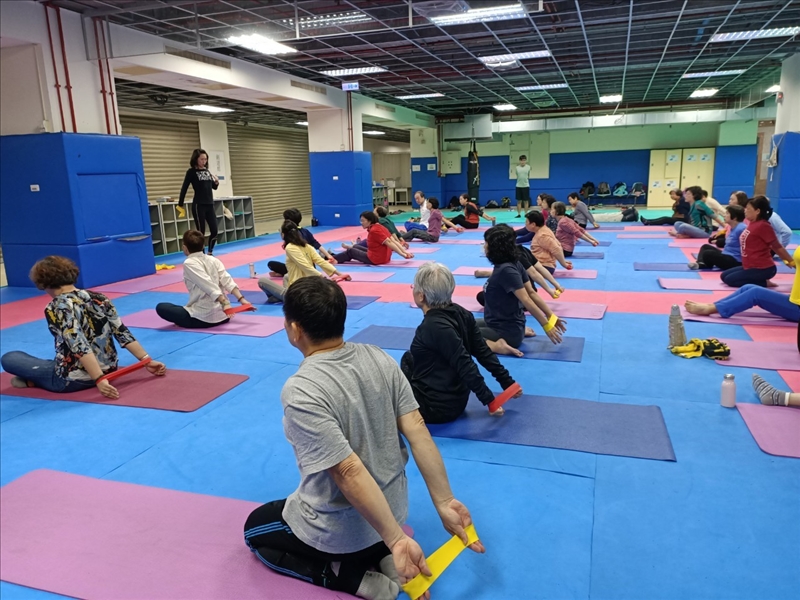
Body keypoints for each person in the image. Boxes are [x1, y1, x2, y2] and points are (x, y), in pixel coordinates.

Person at [243, 277, 484, 599]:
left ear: (295, 329)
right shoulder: (379, 356)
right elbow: (417, 428)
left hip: (345, 533)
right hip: (393, 515)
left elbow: (348, 471)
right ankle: (383, 554)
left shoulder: (302, 389)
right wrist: (443, 501)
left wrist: (397, 540)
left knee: (254, 528)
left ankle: (341, 575)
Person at [1, 256, 166, 399]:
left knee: (10, 357)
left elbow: (79, 345)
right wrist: (146, 360)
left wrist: (98, 379)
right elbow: (121, 331)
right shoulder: (99, 297)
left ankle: (35, 382)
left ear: (43, 283)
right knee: (48, 362)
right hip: (110, 371)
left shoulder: (56, 306)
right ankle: (39, 378)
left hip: (74, 379)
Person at [401, 262, 522, 423]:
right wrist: (507, 382)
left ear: (421, 296)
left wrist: (489, 400)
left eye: (414, 287)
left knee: (394, 376)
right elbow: (483, 351)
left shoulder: (433, 327)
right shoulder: (461, 313)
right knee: (410, 358)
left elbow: (465, 364)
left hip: (436, 408)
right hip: (457, 399)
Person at [477, 225, 567, 357]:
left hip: (505, 332)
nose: (484, 246)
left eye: (486, 243)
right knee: (462, 323)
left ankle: (496, 346)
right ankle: (519, 332)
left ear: (495, 247)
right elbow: (531, 293)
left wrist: (546, 325)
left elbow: (527, 299)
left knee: (458, 332)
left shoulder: (506, 270)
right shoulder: (513, 264)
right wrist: (550, 315)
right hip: (502, 324)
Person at [156, 229, 250, 327]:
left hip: (203, 319)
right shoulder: (213, 259)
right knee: (181, 307)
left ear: (184, 248)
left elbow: (207, 284)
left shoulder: (189, 263)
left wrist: (225, 303)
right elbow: (227, 280)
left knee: (161, 307)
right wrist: (241, 299)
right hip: (224, 316)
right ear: (203, 246)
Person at [258, 221, 352, 304]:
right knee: (286, 276)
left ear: (283, 234)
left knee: (262, 281)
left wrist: (323, 279)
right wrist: (340, 274)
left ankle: (283, 298)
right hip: (306, 285)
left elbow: (305, 266)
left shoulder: (290, 247)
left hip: (299, 291)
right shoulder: (307, 246)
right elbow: (321, 261)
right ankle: (280, 297)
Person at [720, 196, 795, 288]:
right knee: (724, 276)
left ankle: (764, 283)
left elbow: (777, 246)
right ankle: (758, 280)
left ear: (757, 211)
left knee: (730, 280)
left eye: (748, 209)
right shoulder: (752, 223)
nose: (745, 211)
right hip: (749, 266)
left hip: (763, 268)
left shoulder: (763, 226)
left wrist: (791, 261)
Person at [474, 243, 564, 299]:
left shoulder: (514, 256)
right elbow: (540, 268)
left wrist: (549, 290)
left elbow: (534, 273)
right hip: (527, 293)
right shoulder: (523, 249)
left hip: (522, 296)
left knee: (482, 296)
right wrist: (557, 285)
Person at [330, 211, 414, 265]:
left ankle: (332, 259)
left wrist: (403, 255)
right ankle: (333, 256)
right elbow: (394, 241)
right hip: (383, 257)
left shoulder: (374, 230)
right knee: (355, 247)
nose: (361, 223)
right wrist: (405, 252)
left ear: (369, 221)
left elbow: (390, 242)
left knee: (350, 251)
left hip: (376, 259)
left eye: (363, 221)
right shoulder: (380, 226)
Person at [268, 208, 334, 277]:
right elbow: (316, 244)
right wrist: (328, 255)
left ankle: (284, 273)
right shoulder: (305, 231)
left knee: (271, 264)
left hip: (301, 269)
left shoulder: (290, 236)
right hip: (311, 267)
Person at [178, 148, 220, 254]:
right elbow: (184, 187)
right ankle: (202, 254)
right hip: (199, 205)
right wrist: (180, 204)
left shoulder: (207, 171)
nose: (204, 161)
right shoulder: (191, 172)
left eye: (205, 159)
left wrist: (216, 182)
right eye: (202, 159)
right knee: (201, 233)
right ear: (196, 159)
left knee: (214, 230)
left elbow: (213, 187)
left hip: (209, 204)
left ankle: (210, 252)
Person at [688, 204, 746, 270]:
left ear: (735, 217)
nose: (725, 215)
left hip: (735, 260)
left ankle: (703, 264)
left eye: (727, 213)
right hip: (727, 254)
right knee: (705, 247)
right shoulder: (732, 227)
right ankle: (701, 263)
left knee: (708, 253)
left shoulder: (741, 228)